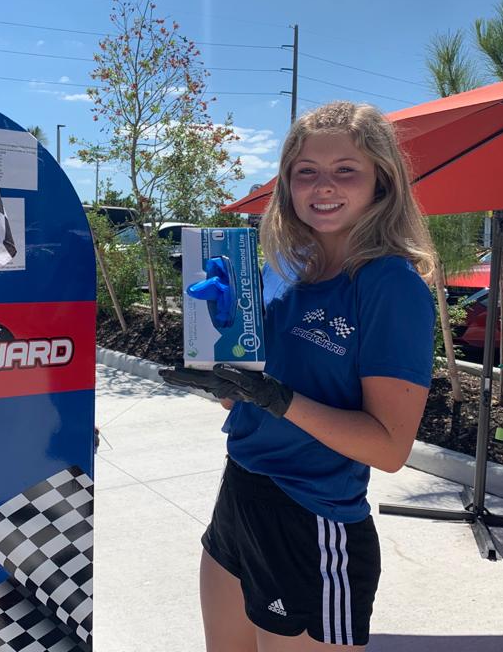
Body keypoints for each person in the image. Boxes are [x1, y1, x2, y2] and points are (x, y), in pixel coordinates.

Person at [161, 101, 436, 651]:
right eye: (305, 170)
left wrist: (279, 398)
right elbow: (242, 406)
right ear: (286, 182)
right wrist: (220, 358)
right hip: (240, 493)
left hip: (315, 518)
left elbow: (388, 448)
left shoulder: (390, 285)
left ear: (381, 180)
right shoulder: (283, 266)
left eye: (345, 170)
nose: (323, 185)